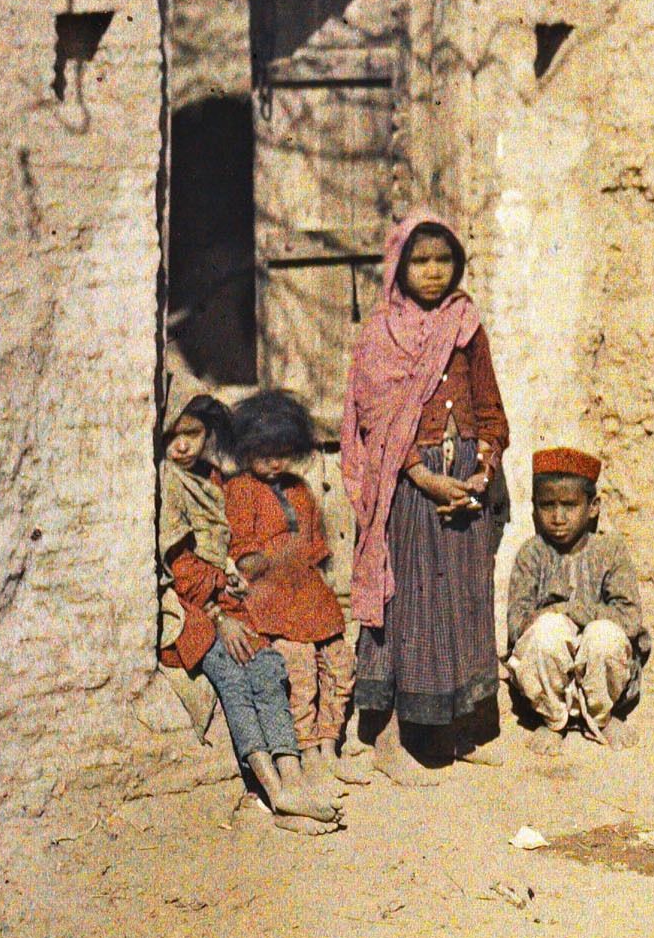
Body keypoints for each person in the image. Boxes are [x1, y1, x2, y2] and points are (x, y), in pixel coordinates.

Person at [341, 210, 510, 785]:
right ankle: (387, 737)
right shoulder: (381, 333)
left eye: (443, 260)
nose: (433, 272)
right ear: (399, 266)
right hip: (411, 488)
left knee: (461, 604)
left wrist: (482, 473)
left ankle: (457, 732)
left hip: (466, 480)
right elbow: (376, 420)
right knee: (406, 607)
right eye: (420, 260)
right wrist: (424, 476)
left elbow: (489, 405)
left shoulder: (466, 324)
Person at [157, 395, 340, 835]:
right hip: (191, 610)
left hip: (228, 601)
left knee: (268, 667)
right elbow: (182, 570)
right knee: (235, 676)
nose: (183, 447)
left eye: (193, 434)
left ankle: (294, 781)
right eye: (174, 436)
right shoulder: (168, 488)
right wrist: (221, 614)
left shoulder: (213, 478)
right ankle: (276, 794)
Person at [226, 388, 361, 805]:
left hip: (306, 590)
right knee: (298, 665)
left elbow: (316, 544)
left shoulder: (299, 488)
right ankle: (304, 750)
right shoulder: (241, 490)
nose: (274, 463)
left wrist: (307, 563)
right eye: (264, 453)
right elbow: (240, 553)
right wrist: (267, 556)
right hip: (269, 595)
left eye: (282, 452)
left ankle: (327, 744)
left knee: (339, 659)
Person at [505, 448, 650, 753]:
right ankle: (553, 719)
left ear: (593, 507)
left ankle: (602, 716)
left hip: (599, 672)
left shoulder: (610, 551)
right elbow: (518, 626)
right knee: (548, 632)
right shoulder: (532, 555)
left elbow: (630, 619)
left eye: (569, 505)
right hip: (550, 675)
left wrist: (569, 610)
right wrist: (556, 619)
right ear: (535, 508)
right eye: (548, 506)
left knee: (604, 636)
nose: (558, 518)